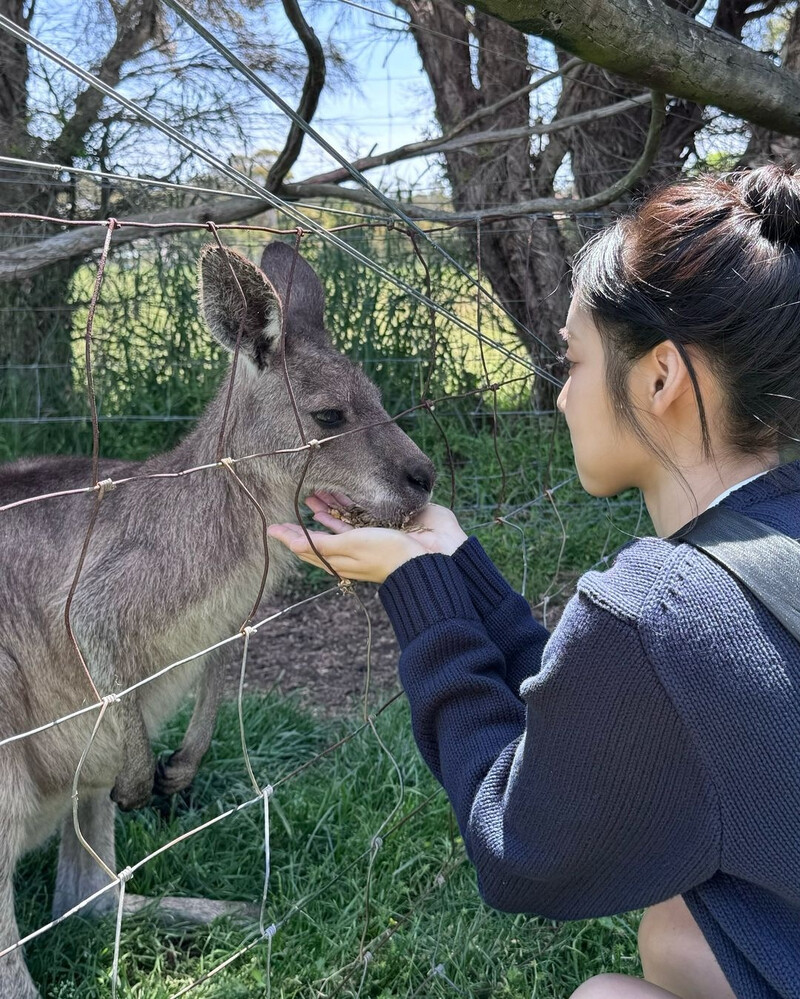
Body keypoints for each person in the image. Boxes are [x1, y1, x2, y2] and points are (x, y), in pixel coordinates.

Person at [267, 164, 800, 999]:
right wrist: (459, 570)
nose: (560, 397)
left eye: (573, 360)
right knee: (677, 927)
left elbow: (516, 849)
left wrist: (419, 596)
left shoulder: (658, 610)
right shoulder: (761, 545)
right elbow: (607, 717)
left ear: (660, 378)